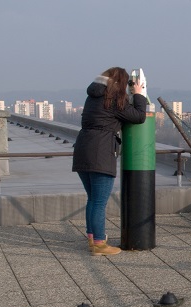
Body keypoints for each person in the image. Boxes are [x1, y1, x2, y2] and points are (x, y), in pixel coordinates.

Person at [72, 67, 147, 256]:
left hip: (82, 149)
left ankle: (93, 238)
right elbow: (139, 117)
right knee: (99, 202)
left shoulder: (93, 97)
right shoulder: (113, 100)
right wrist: (138, 94)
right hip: (101, 152)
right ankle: (99, 244)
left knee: (92, 199)